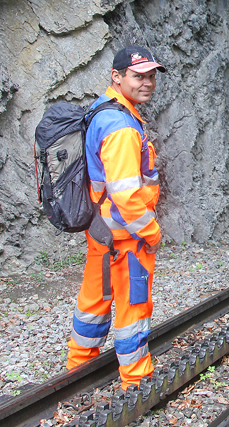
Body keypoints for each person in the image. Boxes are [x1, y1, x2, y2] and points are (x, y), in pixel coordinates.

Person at [66, 44, 167, 388]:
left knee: (93, 304)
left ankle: (78, 372)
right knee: (132, 311)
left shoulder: (102, 111)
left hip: (101, 231)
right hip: (127, 238)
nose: (148, 82)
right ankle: (136, 382)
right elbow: (126, 194)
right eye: (139, 76)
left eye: (152, 76)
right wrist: (151, 233)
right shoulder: (122, 126)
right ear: (117, 76)